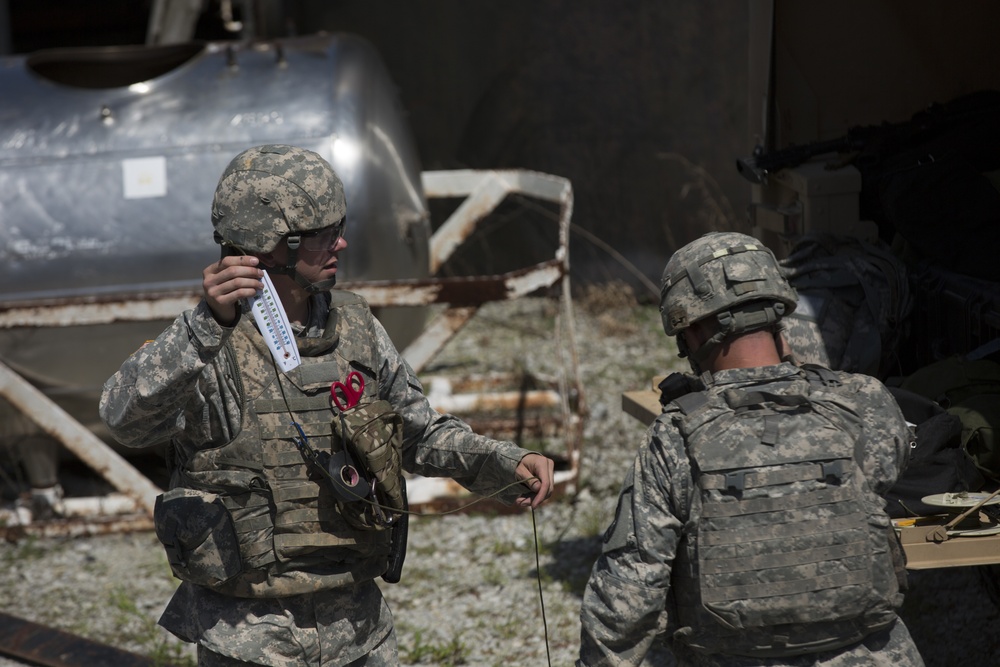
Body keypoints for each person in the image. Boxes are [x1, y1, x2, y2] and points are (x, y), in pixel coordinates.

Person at [99, 144, 555, 667]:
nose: (340, 242)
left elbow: (419, 434)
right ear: (267, 244)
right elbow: (124, 419)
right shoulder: (208, 344)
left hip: (358, 629)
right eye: (320, 234)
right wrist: (205, 327)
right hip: (249, 638)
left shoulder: (356, 328)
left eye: (338, 226)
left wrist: (503, 462)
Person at [577, 231, 923, 666]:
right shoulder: (864, 402)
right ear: (779, 308)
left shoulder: (675, 437)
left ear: (692, 329)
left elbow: (627, 598)